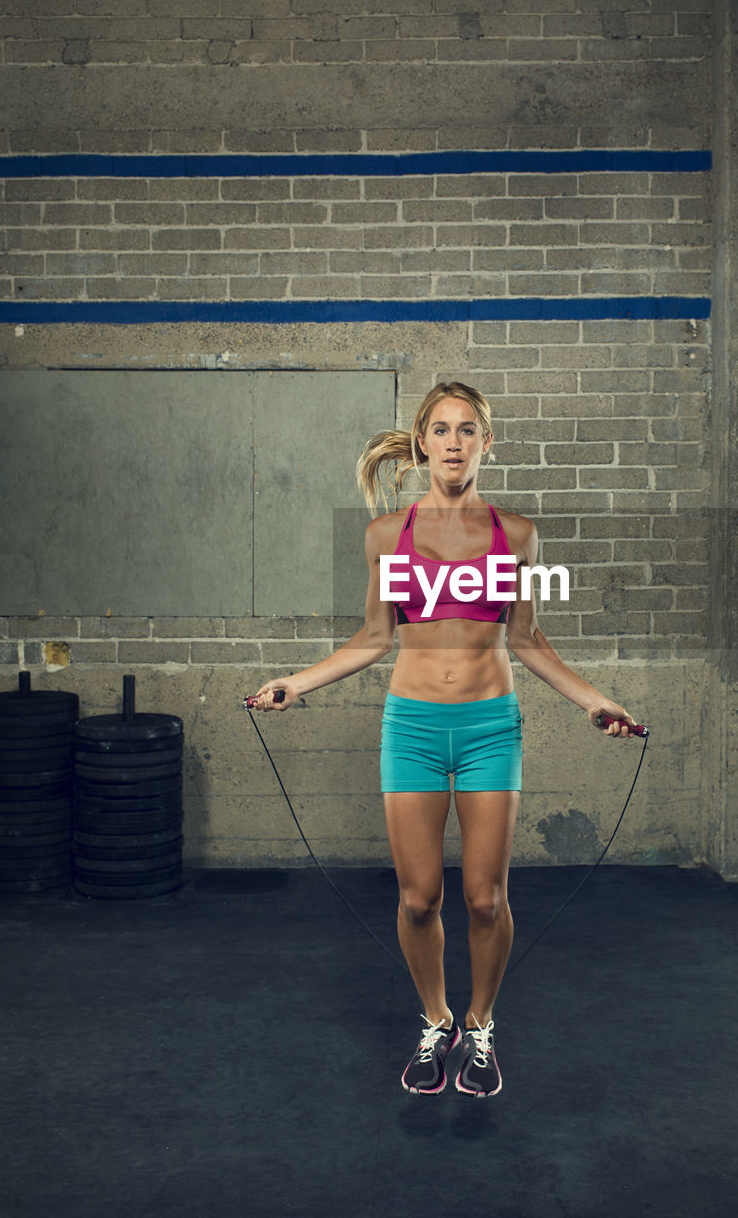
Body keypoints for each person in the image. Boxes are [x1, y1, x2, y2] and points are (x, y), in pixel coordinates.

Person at [251, 381, 638, 1098]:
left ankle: (482, 1026)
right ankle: (437, 1020)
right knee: (419, 900)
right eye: (440, 429)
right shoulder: (384, 537)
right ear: (422, 441)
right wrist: (294, 684)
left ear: (486, 443)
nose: (454, 442)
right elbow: (372, 639)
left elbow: (527, 640)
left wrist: (594, 702)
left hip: (492, 727)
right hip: (413, 728)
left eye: (468, 430)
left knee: (486, 899)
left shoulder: (516, 535)